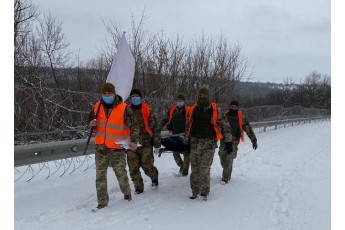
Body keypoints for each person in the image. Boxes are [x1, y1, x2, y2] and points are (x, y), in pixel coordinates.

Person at [88, 83, 139, 210]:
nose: (107, 96)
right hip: (101, 147)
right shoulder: (97, 106)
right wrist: (91, 123)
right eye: (104, 93)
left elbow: (134, 126)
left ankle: (127, 193)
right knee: (100, 176)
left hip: (117, 147)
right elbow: (89, 121)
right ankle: (102, 202)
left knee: (120, 173)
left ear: (114, 93)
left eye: (109, 93)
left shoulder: (124, 108)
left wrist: (133, 141)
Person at [184, 87, 231, 201]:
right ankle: (194, 191)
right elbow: (188, 126)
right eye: (201, 95)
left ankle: (204, 192)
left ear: (208, 96)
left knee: (204, 169)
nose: (202, 97)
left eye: (205, 95)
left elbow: (225, 125)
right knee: (194, 169)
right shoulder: (193, 109)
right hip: (194, 144)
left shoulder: (215, 109)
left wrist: (228, 141)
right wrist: (186, 142)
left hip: (208, 145)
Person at [126, 88, 161, 194]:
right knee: (133, 167)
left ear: (141, 98)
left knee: (147, 165)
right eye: (133, 97)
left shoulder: (147, 109)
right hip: (131, 143)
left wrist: (157, 143)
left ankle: (154, 178)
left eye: (137, 96)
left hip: (146, 142)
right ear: (130, 98)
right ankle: (139, 187)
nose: (135, 98)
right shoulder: (126, 110)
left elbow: (155, 127)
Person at [218, 100, 258, 184]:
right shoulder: (225, 115)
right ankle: (227, 169)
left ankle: (225, 178)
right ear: (229, 107)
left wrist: (253, 140)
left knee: (230, 157)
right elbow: (218, 126)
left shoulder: (241, 117)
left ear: (237, 108)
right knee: (222, 155)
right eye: (232, 106)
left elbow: (248, 129)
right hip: (224, 139)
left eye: (235, 107)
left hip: (234, 140)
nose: (233, 108)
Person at [160, 93, 190, 176]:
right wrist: (159, 128)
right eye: (178, 100)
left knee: (186, 153)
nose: (179, 101)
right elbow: (165, 119)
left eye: (181, 100)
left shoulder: (188, 110)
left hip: (185, 135)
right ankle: (182, 166)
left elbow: (191, 122)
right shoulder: (172, 109)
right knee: (175, 153)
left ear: (184, 101)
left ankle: (185, 172)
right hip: (174, 134)